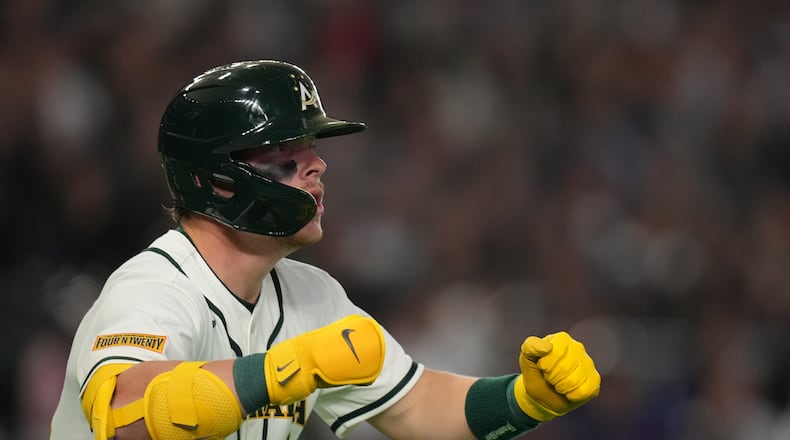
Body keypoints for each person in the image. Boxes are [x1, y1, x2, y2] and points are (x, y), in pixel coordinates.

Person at [50, 60, 601, 440]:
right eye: (287, 154)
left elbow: (418, 411)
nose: (317, 166)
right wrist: (288, 370)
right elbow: (127, 418)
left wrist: (526, 400)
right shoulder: (153, 289)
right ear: (217, 180)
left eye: (312, 149)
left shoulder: (311, 296)